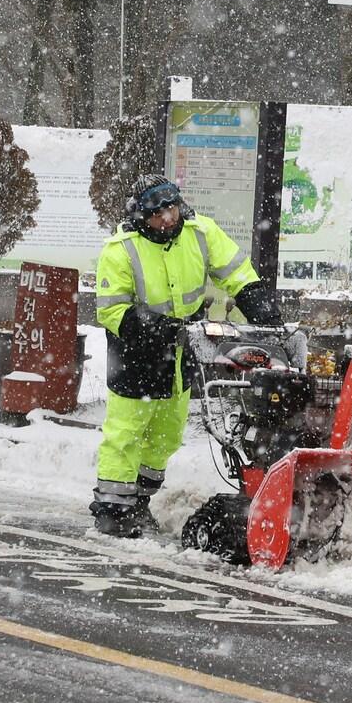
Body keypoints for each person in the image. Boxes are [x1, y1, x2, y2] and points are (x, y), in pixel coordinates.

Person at [90, 174, 283, 537]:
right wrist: (158, 328)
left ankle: (140, 501)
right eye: (157, 214)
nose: (167, 219)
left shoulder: (201, 233)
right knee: (126, 432)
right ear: (140, 217)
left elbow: (238, 274)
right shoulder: (121, 249)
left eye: (171, 208)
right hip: (135, 353)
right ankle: (113, 509)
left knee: (167, 434)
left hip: (180, 351)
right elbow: (112, 311)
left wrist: (266, 314)